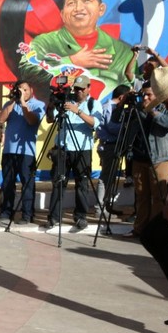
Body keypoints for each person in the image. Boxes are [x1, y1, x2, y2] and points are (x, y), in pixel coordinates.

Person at [19, 0, 135, 104]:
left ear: (101, 9)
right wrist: (70, 61)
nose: (78, 8)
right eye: (71, 3)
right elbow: (26, 69)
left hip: (100, 113)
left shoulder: (123, 53)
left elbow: (130, 86)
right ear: (62, 14)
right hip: (55, 109)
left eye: (86, 1)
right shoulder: (44, 42)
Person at [45, 75, 103, 230]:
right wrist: (51, 106)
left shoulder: (93, 103)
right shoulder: (66, 101)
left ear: (88, 88)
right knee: (58, 183)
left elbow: (95, 123)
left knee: (82, 183)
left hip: (82, 149)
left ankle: (80, 216)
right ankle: (54, 217)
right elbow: (50, 120)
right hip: (63, 148)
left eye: (81, 89)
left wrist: (78, 111)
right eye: (76, 89)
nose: (78, 92)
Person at [127, 66, 168, 237]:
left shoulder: (167, 107)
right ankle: (139, 229)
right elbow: (127, 125)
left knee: (158, 196)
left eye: (149, 95)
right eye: (143, 95)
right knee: (141, 195)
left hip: (160, 157)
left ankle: (155, 231)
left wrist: (153, 111)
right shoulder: (139, 108)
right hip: (140, 155)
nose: (145, 98)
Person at [0, 81, 46, 224]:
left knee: (27, 184)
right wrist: (13, 100)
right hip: (8, 151)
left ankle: (27, 214)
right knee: (8, 183)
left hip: (26, 152)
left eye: (25, 90)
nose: (23, 92)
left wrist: (23, 102)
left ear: (31, 90)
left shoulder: (38, 104)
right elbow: (1, 119)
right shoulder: (10, 104)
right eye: (20, 90)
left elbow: (31, 121)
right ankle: (6, 211)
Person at [95, 85, 132, 217]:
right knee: (105, 177)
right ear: (122, 97)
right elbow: (111, 126)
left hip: (114, 145)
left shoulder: (115, 107)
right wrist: (127, 126)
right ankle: (100, 208)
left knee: (110, 178)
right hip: (108, 145)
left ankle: (107, 206)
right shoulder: (108, 107)